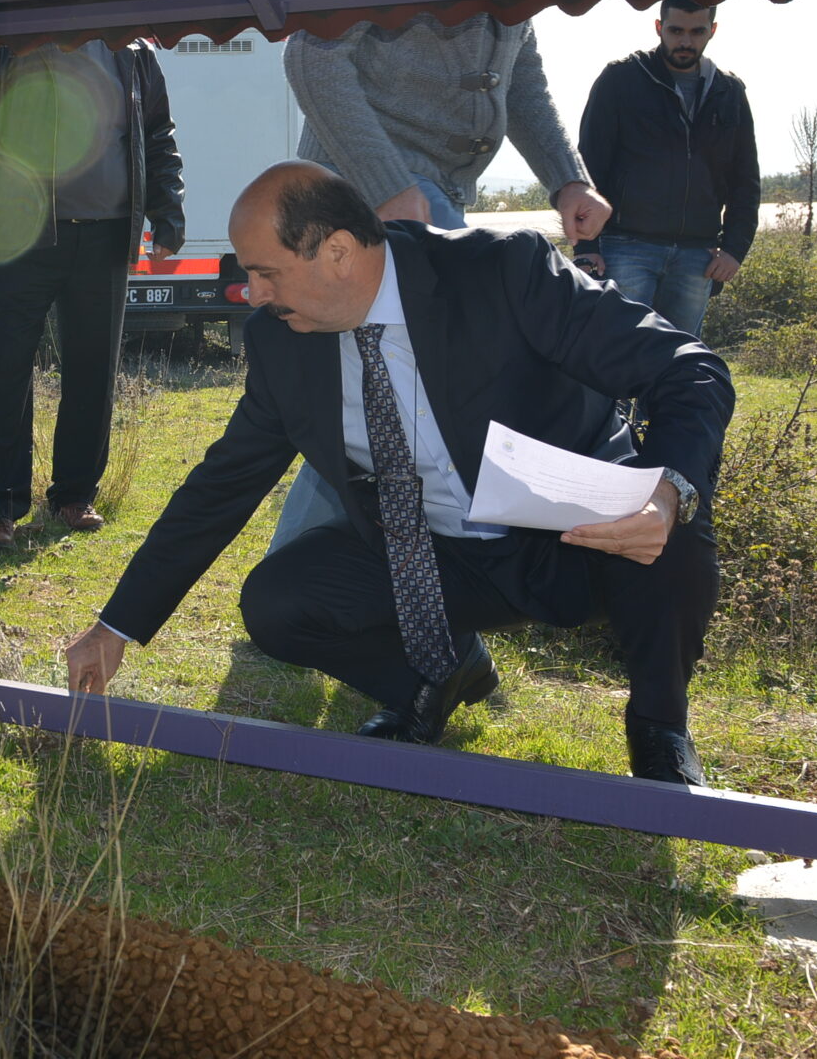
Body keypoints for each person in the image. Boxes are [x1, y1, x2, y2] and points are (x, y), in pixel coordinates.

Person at [63, 163, 731, 785]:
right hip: (433, 564)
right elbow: (220, 487)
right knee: (278, 599)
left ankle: (659, 730)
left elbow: (689, 368)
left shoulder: (500, 271)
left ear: (338, 253)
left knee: (680, 527)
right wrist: (115, 626)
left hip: (574, 538)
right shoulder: (280, 343)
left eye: (266, 272)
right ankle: (428, 682)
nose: (253, 293)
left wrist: (668, 492)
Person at [272, 14, 612, 551]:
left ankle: (307, 574)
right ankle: (485, 564)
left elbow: (522, 81)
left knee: (372, 396)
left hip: (427, 197)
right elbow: (311, 55)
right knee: (421, 393)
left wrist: (567, 179)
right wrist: (386, 184)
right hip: (363, 190)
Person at [0, 40, 184, 548]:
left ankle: (75, 495)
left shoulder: (133, 49)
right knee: (6, 367)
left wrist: (168, 212)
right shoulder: (2, 44)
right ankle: (0, 507)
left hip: (108, 232)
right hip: (17, 233)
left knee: (94, 368)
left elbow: (157, 134)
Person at [570, 0, 760, 337]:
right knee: (612, 355)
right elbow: (588, 166)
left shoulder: (728, 91)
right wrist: (586, 248)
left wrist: (734, 249)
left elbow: (745, 178)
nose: (685, 41)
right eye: (676, 30)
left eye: (696, 31)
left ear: (712, 30)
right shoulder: (622, 79)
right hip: (625, 246)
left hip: (696, 254)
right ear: (659, 27)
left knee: (679, 365)